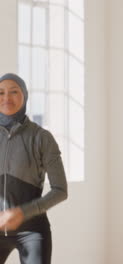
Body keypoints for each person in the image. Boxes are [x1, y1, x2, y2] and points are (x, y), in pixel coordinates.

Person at [0, 73, 68, 264]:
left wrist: (22, 213)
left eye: (14, 92)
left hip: (32, 231)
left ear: (25, 96)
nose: (6, 98)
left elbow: (60, 191)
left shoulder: (41, 138)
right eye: (1, 92)